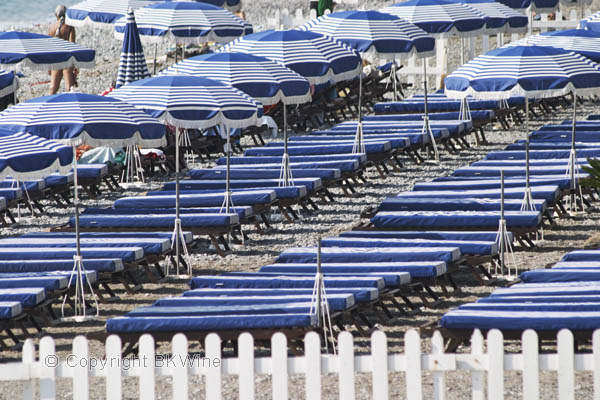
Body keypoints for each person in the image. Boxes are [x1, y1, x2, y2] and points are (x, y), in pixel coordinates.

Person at [48, 5, 77, 94]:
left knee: (53, 88)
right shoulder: (69, 27)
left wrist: (49, 65)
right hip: (67, 58)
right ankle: (70, 105)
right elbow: (72, 45)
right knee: (69, 88)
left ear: (56, 15)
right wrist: (75, 64)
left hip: (55, 59)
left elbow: (49, 48)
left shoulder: (51, 27)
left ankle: (49, 105)